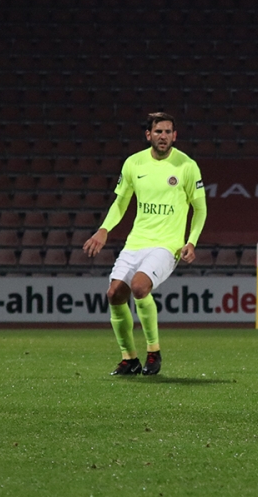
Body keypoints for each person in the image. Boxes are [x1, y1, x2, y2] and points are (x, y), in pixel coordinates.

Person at [83, 112, 207, 376]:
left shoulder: (186, 166)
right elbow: (121, 202)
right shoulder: (133, 163)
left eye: (168, 132)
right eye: (158, 131)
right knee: (114, 294)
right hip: (136, 241)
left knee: (139, 287)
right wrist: (104, 230)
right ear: (148, 135)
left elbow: (200, 209)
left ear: (175, 135)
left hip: (167, 245)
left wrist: (191, 241)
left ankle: (153, 352)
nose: (164, 136)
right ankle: (129, 359)